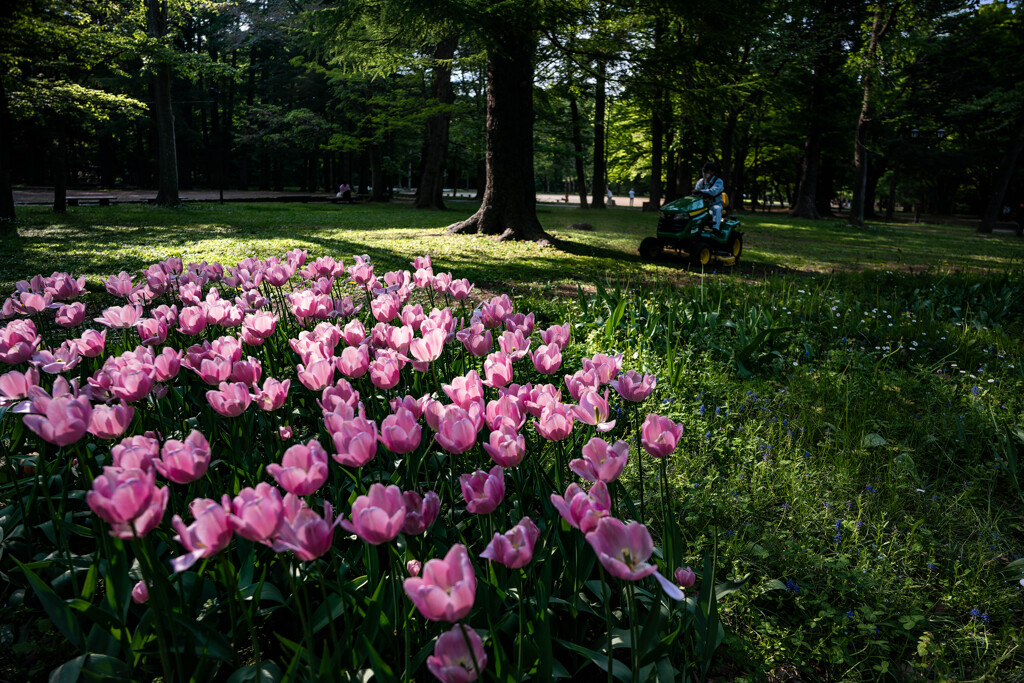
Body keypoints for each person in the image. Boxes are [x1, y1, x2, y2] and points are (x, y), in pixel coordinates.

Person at [693, 162, 724, 231]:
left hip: (714, 204)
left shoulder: (719, 181)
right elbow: (696, 192)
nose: (704, 173)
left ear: (713, 172)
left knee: (717, 209)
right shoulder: (701, 181)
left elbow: (713, 192)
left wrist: (700, 191)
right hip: (702, 205)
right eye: (703, 171)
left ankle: (716, 229)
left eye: (706, 171)